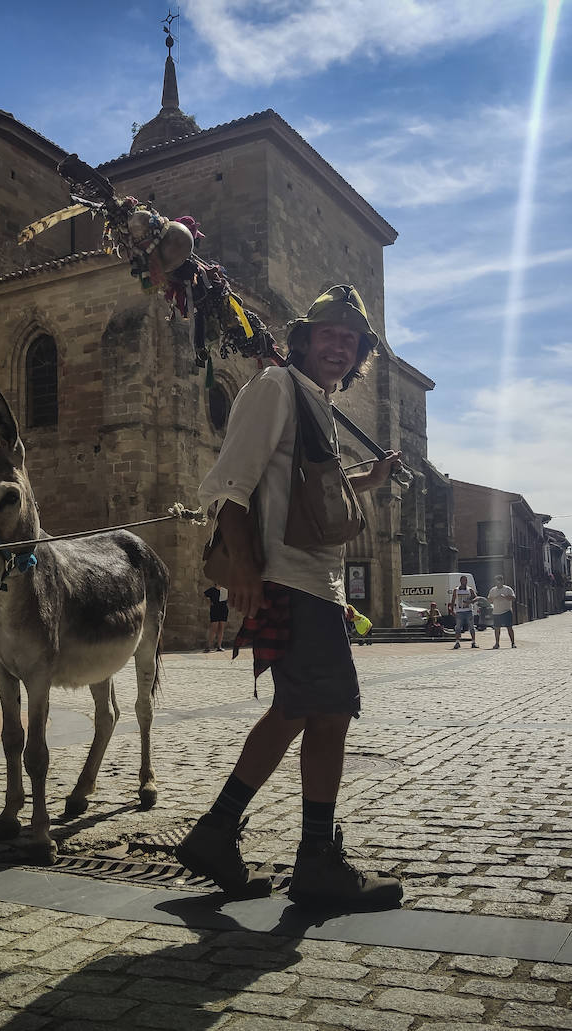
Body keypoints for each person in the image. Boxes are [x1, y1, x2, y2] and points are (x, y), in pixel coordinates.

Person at [177, 284, 404, 909]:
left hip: (314, 584)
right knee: (328, 716)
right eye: (329, 334)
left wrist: (369, 478)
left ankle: (217, 833)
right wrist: (245, 567)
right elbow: (230, 483)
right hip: (292, 581)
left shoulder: (315, 404)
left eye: (351, 340)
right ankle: (315, 863)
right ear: (303, 339)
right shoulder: (276, 386)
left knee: (300, 711)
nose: (340, 347)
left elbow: (305, 490)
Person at [488, 574, 517, 649]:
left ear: (502, 581)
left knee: (509, 627)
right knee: (497, 628)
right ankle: (497, 644)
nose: (498, 583)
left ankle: (513, 643)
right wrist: (495, 598)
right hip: (496, 612)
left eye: (499, 581)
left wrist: (504, 597)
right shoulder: (493, 590)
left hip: (506, 611)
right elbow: (489, 600)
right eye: (496, 581)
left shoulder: (507, 589)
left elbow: (513, 598)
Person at [450, 575, 478, 649]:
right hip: (459, 611)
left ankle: (473, 642)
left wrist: (470, 601)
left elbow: (476, 597)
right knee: (458, 627)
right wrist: (452, 610)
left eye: (466, 580)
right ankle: (457, 642)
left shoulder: (469, 589)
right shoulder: (456, 590)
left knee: (471, 627)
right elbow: (453, 600)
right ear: (460, 581)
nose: (464, 582)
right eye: (463, 580)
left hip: (468, 611)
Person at [203, 584, 229, 652]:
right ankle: (208, 646)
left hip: (223, 609)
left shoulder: (225, 590)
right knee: (213, 628)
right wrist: (209, 602)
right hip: (214, 609)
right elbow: (204, 595)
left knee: (221, 628)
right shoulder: (212, 590)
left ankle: (219, 646)